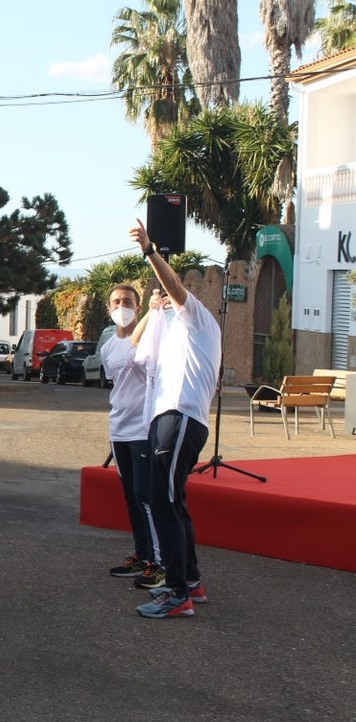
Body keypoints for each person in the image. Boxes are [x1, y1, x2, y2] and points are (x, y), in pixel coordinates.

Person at [130, 219, 220, 619]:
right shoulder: (172, 333)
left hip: (180, 417)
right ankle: (192, 581)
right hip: (171, 419)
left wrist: (150, 251)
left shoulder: (197, 318)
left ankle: (177, 593)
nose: (165, 302)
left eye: (168, 300)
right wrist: (151, 313)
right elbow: (133, 344)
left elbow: (176, 289)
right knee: (171, 501)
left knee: (164, 503)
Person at [101, 283, 164, 588]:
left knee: (145, 494)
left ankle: (159, 561)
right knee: (130, 498)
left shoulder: (149, 338)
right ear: (108, 308)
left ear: (138, 307)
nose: (121, 305)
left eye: (127, 301)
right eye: (116, 301)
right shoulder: (108, 347)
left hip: (142, 429)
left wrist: (155, 310)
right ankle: (142, 554)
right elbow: (116, 385)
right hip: (119, 429)